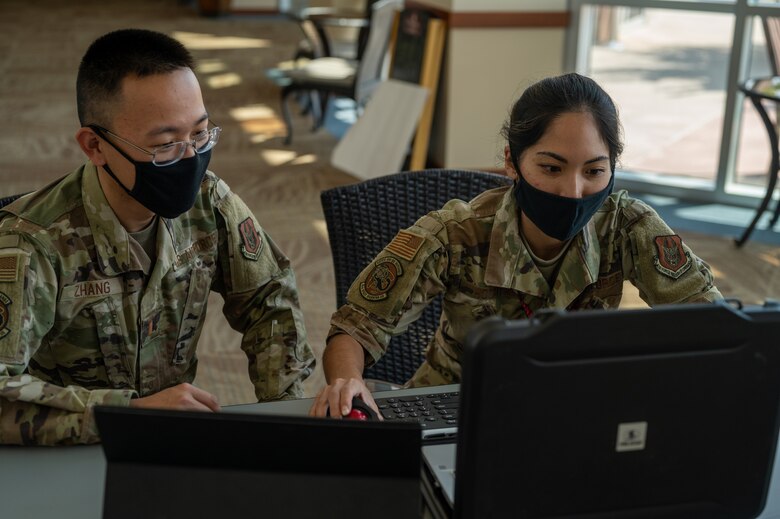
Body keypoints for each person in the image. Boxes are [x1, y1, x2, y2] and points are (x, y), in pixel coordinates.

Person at [310, 72, 722, 418]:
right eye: (550, 167)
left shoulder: (626, 225)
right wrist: (348, 382)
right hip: (459, 409)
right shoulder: (456, 233)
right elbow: (356, 327)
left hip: (573, 410)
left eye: (595, 170)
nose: (574, 192)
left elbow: (709, 322)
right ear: (512, 161)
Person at [0, 29, 314, 445]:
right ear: (95, 146)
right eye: (165, 145)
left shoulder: (210, 202)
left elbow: (270, 301)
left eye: (200, 135)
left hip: (175, 437)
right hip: (72, 446)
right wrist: (126, 414)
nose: (190, 159)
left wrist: (284, 418)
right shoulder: (35, 243)